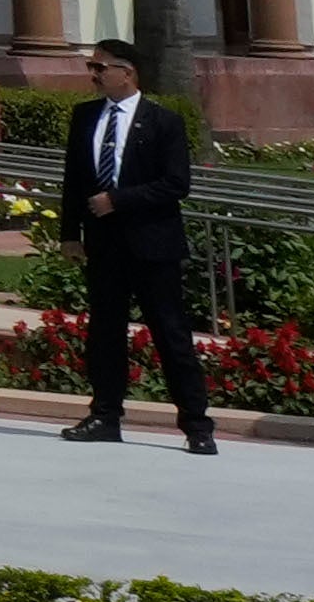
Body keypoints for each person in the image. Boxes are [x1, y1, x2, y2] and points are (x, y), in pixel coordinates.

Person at [59, 30, 214, 455]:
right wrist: (70, 233)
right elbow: (74, 179)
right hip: (104, 245)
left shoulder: (164, 122)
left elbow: (176, 184)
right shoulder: (85, 117)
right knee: (105, 333)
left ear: (126, 73)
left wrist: (118, 200)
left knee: (170, 333)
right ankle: (105, 416)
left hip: (153, 245)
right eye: (91, 66)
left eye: (99, 67)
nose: (93, 74)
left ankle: (197, 425)